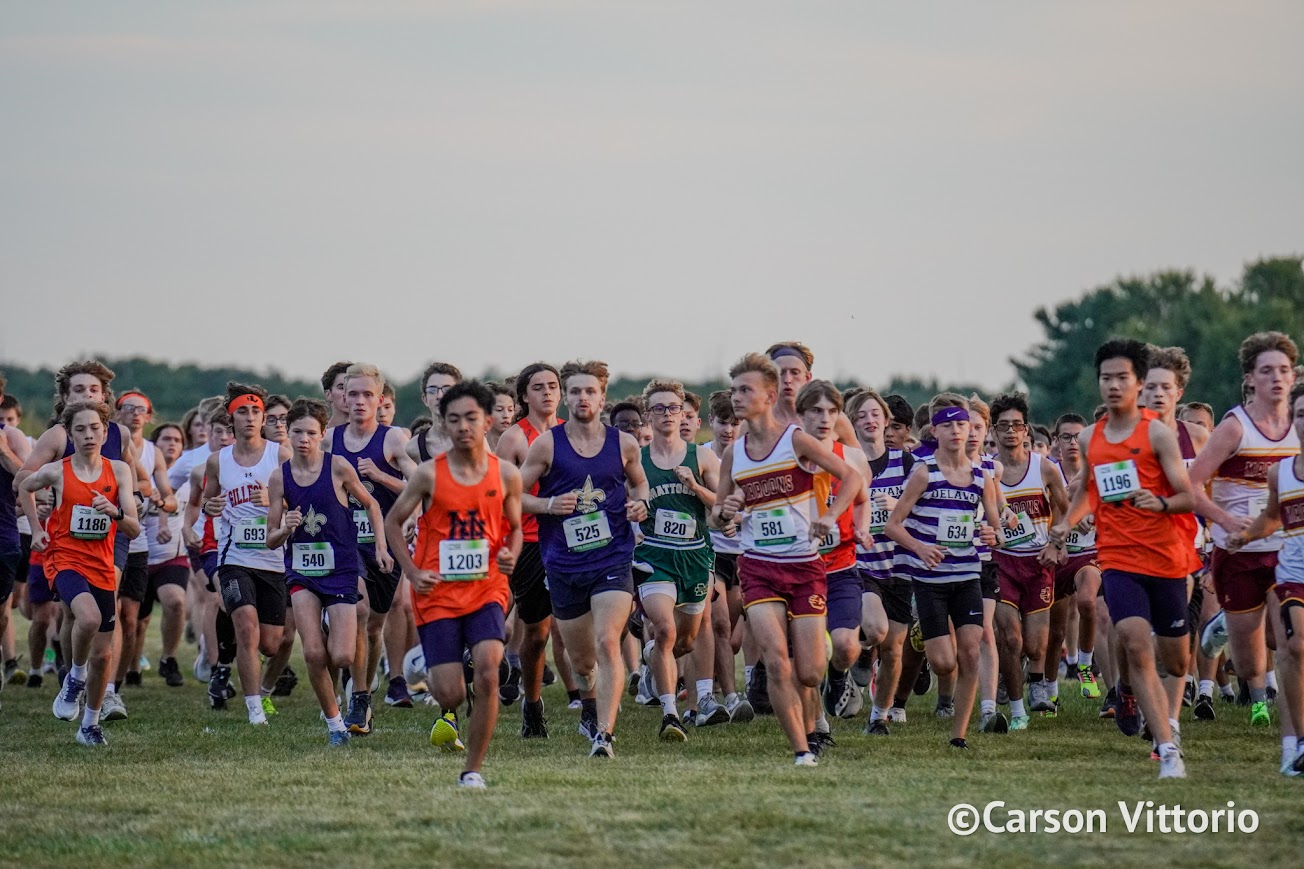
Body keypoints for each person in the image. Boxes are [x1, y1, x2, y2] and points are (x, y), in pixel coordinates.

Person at [1049, 338, 1200, 779]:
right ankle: (1168, 751)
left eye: (1122, 378)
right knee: (1135, 643)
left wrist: (1161, 502)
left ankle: (1152, 701)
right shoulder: (1090, 437)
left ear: (1138, 383)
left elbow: (1188, 496)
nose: (1113, 386)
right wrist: (1066, 524)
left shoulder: (1156, 434)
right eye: (1106, 378)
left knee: (1176, 661)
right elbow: (1089, 490)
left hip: (1166, 558)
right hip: (1118, 557)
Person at [709, 353, 862, 765]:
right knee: (777, 662)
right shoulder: (734, 454)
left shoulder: (796, 441)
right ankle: (802, 749)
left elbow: (852, 477)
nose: (736, 397)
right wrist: (727, 511)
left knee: (809, 671)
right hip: (758, 567)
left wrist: (829, 515)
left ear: (769, 395)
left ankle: (816, 712)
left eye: (746, 390)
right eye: (734, 390)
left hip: (804, 566)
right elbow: (717, 515)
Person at [385, 381, 523, 787]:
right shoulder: (428, 474)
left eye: (471, 418)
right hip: (438, 593)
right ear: (443, 424)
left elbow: (515, 527)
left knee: (488, 672)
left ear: (487, 421)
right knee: (451, 695)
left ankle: (472, 770)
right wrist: (412, 572)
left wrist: (511, 553)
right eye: (455, 419)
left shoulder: (506, 474)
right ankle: (422, 664)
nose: (463, 426)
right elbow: (393, 523)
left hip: (487, 588)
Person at [517, 360, 650, 758]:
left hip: (613, 558)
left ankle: (603, 735)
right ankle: (589, 706)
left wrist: (641, 503)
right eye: (574, 391)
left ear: (602, 398)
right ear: (566, 398)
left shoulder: (623, 444)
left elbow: (640, 483)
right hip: (563, 564)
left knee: (608, 641)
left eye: (590, 391)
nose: (582, 398)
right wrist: (548, 504)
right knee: (582, 661)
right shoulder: (547, 445)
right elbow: (513, 495)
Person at [1187, 332, 1300, 728]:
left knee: (1291, 643)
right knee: (1251, 660)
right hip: (1237, 553)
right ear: (1250, 378)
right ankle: (1221, 628)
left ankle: (1293, 733)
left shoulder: (1299, 425)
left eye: (1283, 370)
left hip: (1288, 550)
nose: (1277, 378)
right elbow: (1190, 485)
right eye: (1266, 370)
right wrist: (1224, 519)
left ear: (1293, 375)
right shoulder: (1235, 428)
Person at [267, 399, 390, 746]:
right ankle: (336, 725)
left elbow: (372, 504)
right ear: (287, 434)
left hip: (341, 569)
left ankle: (331, 626)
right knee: (312, 653)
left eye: (311, 432)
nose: (303, 439)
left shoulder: (337, 467)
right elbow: (270, 539)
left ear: (322, 434)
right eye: (297, 432)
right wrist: (286, 527)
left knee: (342, 655)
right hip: (302, 572)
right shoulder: (279, 477)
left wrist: (381, 547)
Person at [887, 394, 1005, 750]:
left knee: (971, 653)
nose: (956, 431)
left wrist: (992, 534)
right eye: (948, 425)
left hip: (968, 575)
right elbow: (893, 525)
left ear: (971, 430)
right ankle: (925, 642)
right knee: (943, 662)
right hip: (930, 580)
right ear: (934, 432)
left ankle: (959, 735)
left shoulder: (982, 477)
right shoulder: (924, 473)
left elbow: (997, 530)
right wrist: (920, 548)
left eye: (961, 425)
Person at [19, 400, 140, 745]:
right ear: (70, 435)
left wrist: (114, 512)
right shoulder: (57, 471)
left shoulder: (119, 471)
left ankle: (89, 725)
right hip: (64, 560)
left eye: (94, 428)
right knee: (87, 618)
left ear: (105, 432)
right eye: (80, 429)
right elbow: (23, 485)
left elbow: (132, 529)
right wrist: (37, 528)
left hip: (102, 564)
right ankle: (74, 678)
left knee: (104, 655)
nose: (88, 435)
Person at [325, 363, 417, 731]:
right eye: (353, 394)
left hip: (384, 543)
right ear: (342, 398)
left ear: (380, 399)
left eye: (368, 394)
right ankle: (359, 699)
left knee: (375, 626)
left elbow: (420, 484)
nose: (360, 401)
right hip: (344, 544)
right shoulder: (328, 440)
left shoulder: (394, 439)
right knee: (359, 611)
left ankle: (363, 683)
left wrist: (380, 476)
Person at [632, 379, 722, 740]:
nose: (668, 414)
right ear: (648, 415)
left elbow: (723, 505)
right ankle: (670, 713)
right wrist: (633, 514)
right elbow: (621, 501)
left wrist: (695, 486)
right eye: (659, 408)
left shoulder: (701, 457)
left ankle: (653, 656)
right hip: (653, 555)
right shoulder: (636, 459)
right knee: (665, 630)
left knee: (685, 642)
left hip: (695, 557)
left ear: (684, 413)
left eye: (674, 408)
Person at [200, 383, 292, 725]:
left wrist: (274, 501)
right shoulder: (217, 461)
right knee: (246, 627)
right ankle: (255, 709)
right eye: (243, 412)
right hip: (234, 558)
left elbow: (302, 500)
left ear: (264, 418)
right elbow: (207, 502)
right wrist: (209, 507)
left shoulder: (280, 455)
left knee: (271, 644)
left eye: (256, 412)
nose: (250, 417)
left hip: (273, 559)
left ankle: (257, 682)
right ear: (232, 419)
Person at [1226, 377, 1304, 776]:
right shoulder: (1281, 473)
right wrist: (1244, 535)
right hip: (1292, 572)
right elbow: (1272, 518)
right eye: (1301, 414)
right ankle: (1297, 744)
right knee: (1294, 647)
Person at [989, 393, 1068, 728]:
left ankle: (1031, 679)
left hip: (1037, 563)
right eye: (1003, 426)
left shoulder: (1044, 467)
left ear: (1026, 430)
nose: (1010, 432)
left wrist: (1055, 544)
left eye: (1016, 425)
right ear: (993, 430)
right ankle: (1018, 709)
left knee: (1035, 646)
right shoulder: (986, 469)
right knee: (1010, 638)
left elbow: (1065, 508)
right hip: (1001, 562)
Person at [494, 362, 562, 738]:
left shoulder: (571, 433)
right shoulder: (514, 438)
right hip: (530, 542)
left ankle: (591, 708)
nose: (547, 392)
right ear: (524, 395)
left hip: (572, 541)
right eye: (538, 387)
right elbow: (502, 497)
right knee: (536, 633)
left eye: (552, 386)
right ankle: (532, 704)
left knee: (585, 628)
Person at [848, 389, 913, 735]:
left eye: (875, 414)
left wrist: (899, 507)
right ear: (852, 422)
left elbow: (925, 508)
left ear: (886, 420)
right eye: (861, 415)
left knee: (893, 650)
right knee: (876, 629)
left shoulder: (906, 463)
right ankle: (854, 656)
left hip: (900, 565)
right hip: (861, 563)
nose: (870, 420)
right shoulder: (846, 463)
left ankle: (879, 717)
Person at [487, 382, 516, 452]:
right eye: (499, 410)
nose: (506, 415)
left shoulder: (521, 444)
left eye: (510, 410)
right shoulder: (477, 444)